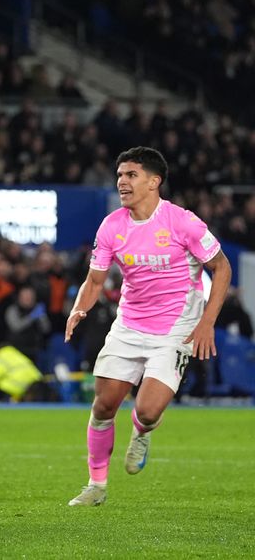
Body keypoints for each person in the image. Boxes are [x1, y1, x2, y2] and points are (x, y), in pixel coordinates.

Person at [64, 147, 231, 506]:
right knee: (104, 405)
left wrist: (207, 322)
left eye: (131, 175)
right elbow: (95, 281)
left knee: (148, 410)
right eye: (120, 175)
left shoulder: (182, 221)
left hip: (176, 328)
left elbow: (222, 268)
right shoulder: (111, 225)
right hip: (130, 324)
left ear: (154, 182)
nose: (122, 181)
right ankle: (96, 486)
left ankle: (142, 433)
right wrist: (79, 308)